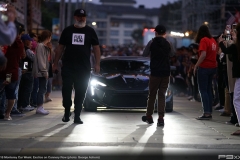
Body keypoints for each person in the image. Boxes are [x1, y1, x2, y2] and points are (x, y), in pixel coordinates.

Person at [52, 9, 101, 124]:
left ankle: (77, 115)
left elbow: (96, 48)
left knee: (81, 91)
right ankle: (67, 111)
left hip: (84, 68)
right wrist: (55, 63)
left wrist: (97, 64)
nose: (81, 18)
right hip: (68, 66)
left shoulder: (90, 31)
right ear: (75, 17)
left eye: (83, 16)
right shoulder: (67, 31)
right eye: (79, 16)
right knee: (66, 89)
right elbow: (60, 48)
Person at [141, 25, 172, 126]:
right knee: (162, 95)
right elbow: (172, 54)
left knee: (152, 95)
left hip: (155, 73)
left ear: (156, 32)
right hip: (166, 73)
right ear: (164, 33)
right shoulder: (168, 43)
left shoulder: (151, 42)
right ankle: (161, 118)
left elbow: (144, 54)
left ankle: (149, 116)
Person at [218, 23, 240, 135]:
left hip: (238, 74)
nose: (231, 32)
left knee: (236, 98)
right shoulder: (236, 44)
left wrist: (221, 42)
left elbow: (227, 52)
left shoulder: (236, 45)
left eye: (234, 31)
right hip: (237, 75)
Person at [194, 25, 218, 120]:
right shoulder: (213, 40)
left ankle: (206, 113)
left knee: (203, 90)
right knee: (208, 90)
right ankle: (209, 112)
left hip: (204, 67)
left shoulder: (204, 40)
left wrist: (196, 65)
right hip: (213, 67)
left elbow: (203, 54)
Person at [32, 30, 52, 115]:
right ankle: (39, 107)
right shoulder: (40, 46)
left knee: (42, 89)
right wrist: (44, 72)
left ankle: (40, 107)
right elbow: (41, 60)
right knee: (42, 89)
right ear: (48, 37)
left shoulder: (44, 46)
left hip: (43, 71)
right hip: (41, 71)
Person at [0, 5, 17, 71]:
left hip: (11, 69)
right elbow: (8, 38)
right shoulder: (18, 43)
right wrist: (11, 21)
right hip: (10, 70)